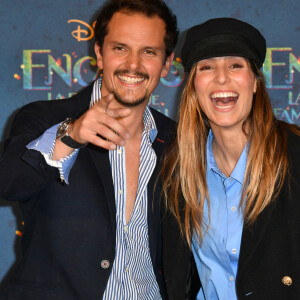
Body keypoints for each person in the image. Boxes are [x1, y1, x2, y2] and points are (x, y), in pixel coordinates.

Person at [0, 0, 191, 299]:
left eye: (149, 52)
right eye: (120, 48)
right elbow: (9, 183)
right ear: (99, 53)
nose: (133, 64)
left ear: (166, 63)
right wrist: (70, 136)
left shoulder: (180, 141)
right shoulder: (43, 119)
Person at [161, 18, 300, 299]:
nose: (221, 77)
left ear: (255, 83)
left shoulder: (294, 156)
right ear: (193, 88)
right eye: (207, 67)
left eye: (235, 65)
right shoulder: (177, 171)